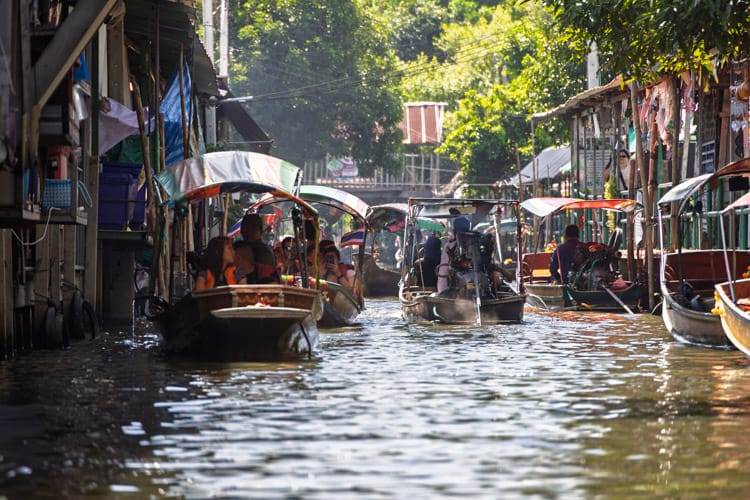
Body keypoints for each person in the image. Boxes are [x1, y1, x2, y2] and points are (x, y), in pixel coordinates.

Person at [234, 212, 278, 283]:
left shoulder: (265, 252)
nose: (248, 231)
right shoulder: (238, 246)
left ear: (260, 230)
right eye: (245, 228)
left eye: (253, 228)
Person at [437, 216, 471, 293]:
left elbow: (443, 270)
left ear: (454, 231)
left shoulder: (450, 245)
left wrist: (442, 290)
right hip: (456, 287)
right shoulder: (450, 247)